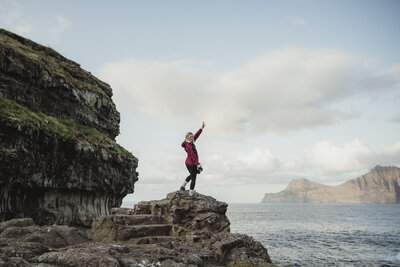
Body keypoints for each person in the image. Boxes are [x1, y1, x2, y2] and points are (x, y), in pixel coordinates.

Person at [180, 122, 205, 196]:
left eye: (192, 137)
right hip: (191, 163)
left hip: (189, 162)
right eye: (190, 137)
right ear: (187, 138)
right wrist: (198, 164)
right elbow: (192, 156)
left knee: (192, 175)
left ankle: (182, 186)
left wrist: (201, 128)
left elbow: (196, 135)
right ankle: (191, 194)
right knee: (194, 178)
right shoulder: (188, 146)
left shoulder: (191, 142)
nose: (191, 138)